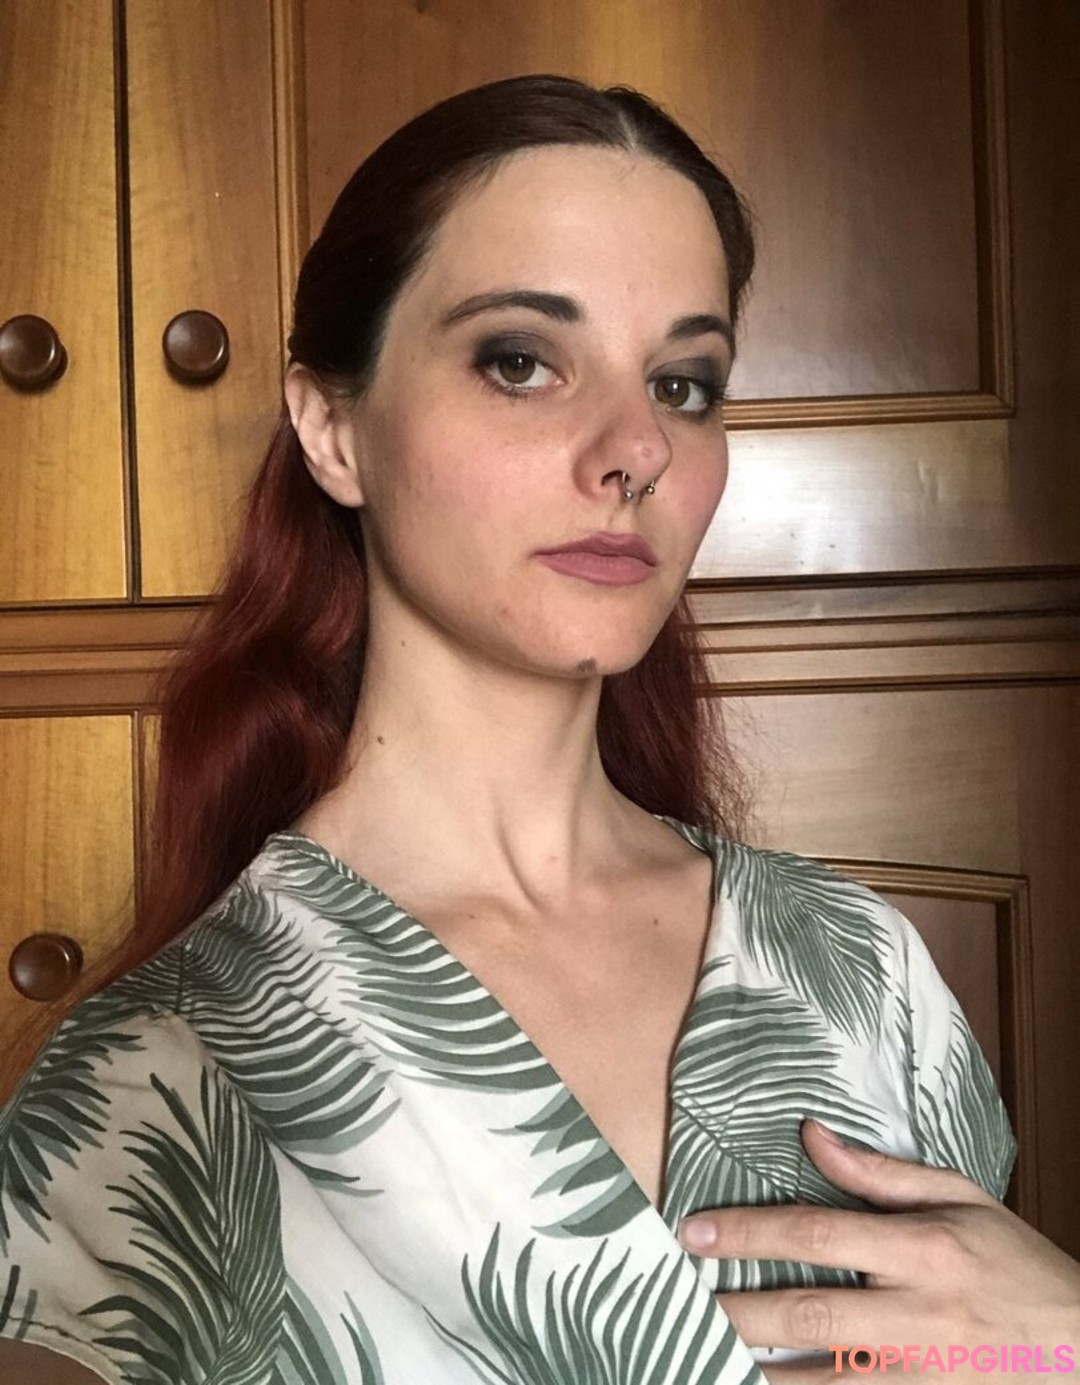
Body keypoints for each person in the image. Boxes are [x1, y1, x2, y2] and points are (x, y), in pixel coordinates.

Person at [0, 75, 1076, 1385]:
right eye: (519, 361)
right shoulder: (146, 1089)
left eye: (683, 383)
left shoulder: (866, 976)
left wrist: (1063, 1339)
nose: (636, 447)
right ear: (333, 429)